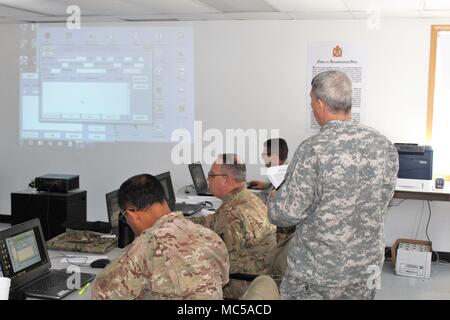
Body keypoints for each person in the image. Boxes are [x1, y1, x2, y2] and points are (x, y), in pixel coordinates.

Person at [268, 70, 399, 300]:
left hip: (317, 274)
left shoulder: (313, 149)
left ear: (319, 103)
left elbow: (285, 215)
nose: (311, 107)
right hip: (365, 269)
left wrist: (272, 198)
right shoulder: (383, 145)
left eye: (311, 101)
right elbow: (384, 199)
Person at [92, 174, 230, 300]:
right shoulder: (209, 235)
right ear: (163, 199)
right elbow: (223, 280)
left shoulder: (147, 245)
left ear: (132, 214)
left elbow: (102, 293)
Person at [198, 153, 277, 298]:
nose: (207, 179)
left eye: (211, 175)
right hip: (262, 278)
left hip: (242, 284)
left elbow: (222, 261)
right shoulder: (249, 199)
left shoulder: (232, 213)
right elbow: (211, 221)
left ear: (226, 179)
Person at [248, 138, 294, 243]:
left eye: (265, 154)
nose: (263, 157)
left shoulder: (285, 176)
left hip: (280, 235)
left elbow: (271, 203)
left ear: (274, 156)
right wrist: (266, 185)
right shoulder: (282, 170)